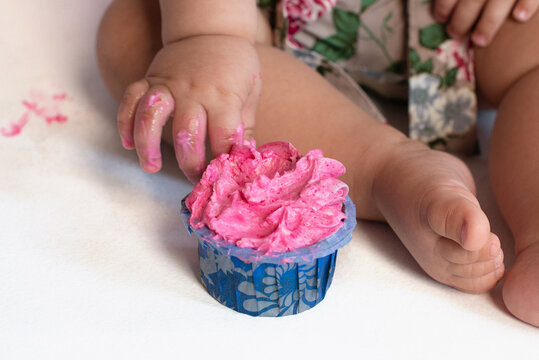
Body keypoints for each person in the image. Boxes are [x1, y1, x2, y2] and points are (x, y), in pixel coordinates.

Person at [96, 0, 539, 327]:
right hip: (258, 22)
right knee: (135, 35)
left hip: (461, 17)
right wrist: (206, 35)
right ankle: (385, 168)